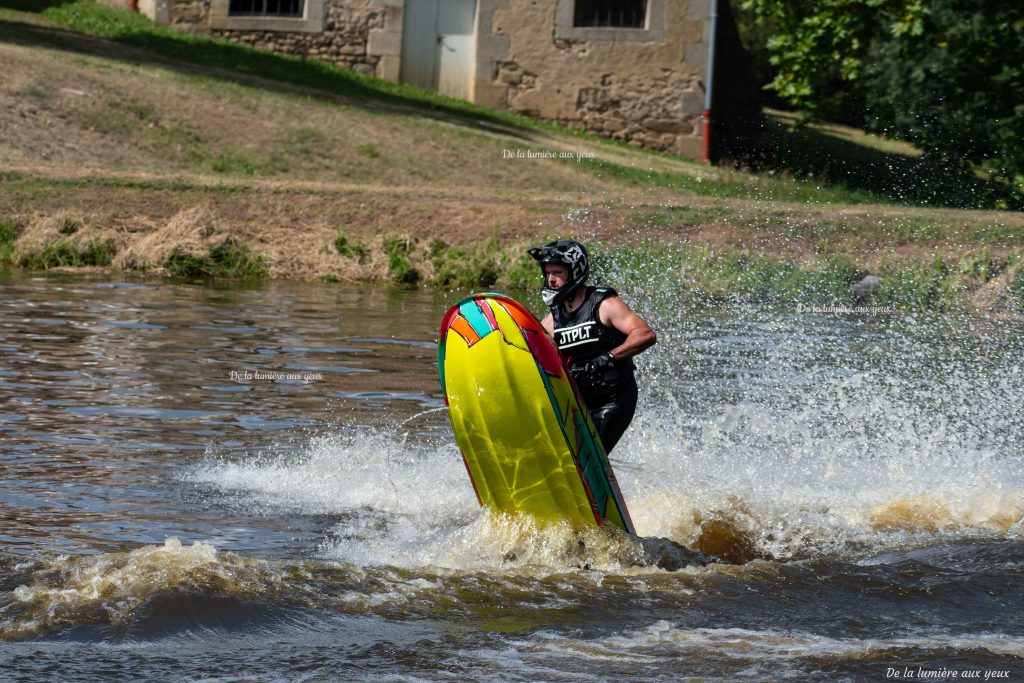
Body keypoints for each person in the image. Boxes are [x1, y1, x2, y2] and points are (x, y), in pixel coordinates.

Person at [528, 239, 656, 453]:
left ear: (575, 271)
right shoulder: (552, 320)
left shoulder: (604, 304)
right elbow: (534, 357)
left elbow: (645, 334)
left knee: (585, 455)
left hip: (614, 400)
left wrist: (606, 359)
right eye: (548, 273)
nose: (551, 280)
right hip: (578, 402)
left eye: (557, 272)